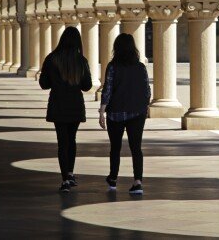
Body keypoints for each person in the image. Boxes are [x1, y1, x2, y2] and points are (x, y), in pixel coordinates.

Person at [38, 27, 92, 193]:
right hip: (75, 105)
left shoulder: (52, 58)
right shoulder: (81, 60)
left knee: (62, 142)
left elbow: (44, 84)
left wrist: (56, 81)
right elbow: (87, 86)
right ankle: (70, 172)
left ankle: (65, 179)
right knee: (72, 139)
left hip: (58, 104)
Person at [99, 33, 151, 195]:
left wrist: (102, 111)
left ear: (117, 48)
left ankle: (113, 178)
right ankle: (137, 181)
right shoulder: (140, 67)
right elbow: (147, 91)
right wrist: (143, 107)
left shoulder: (113, 66)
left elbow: (107, 89)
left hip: (116, 113)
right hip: (136, 112)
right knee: (136, 148)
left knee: (115, 147)